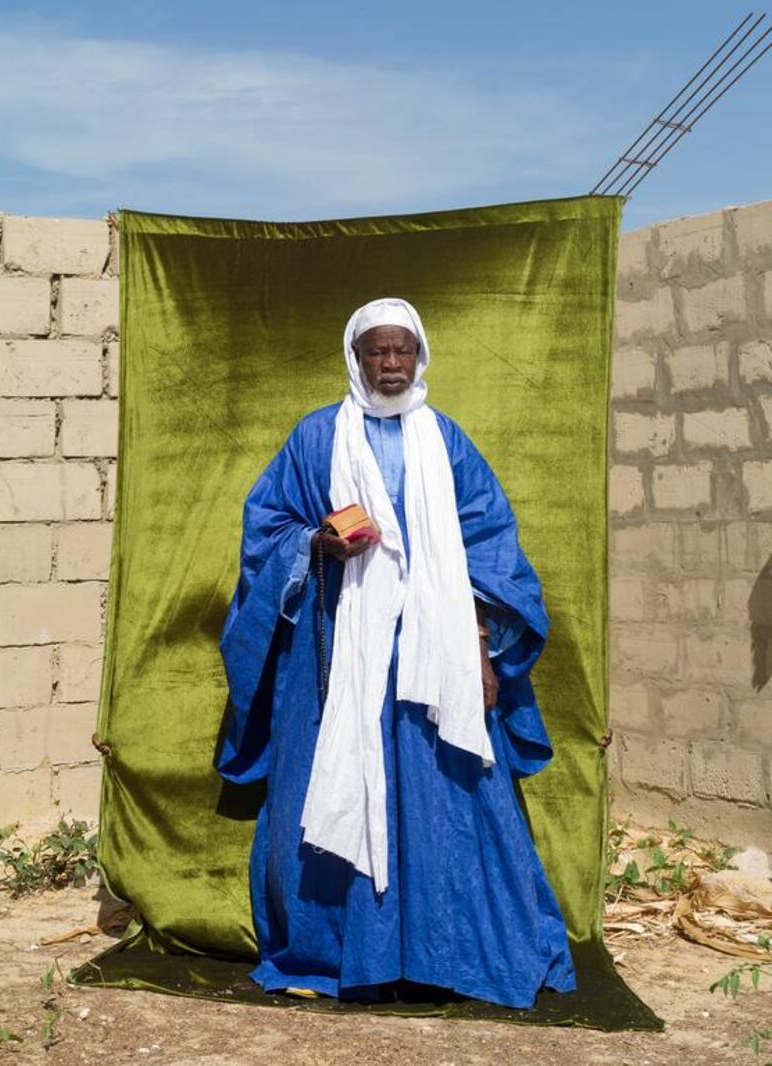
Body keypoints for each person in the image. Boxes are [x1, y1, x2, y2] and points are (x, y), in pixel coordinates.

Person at [216, 296, 577, 1009]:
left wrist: (478, 649)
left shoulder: (446, 442)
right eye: (376, 352)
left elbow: (489, 546)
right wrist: (314, 545)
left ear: (421, 356)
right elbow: (267, 528)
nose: (390, 365)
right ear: (355, 358)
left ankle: (447, 951)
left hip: (430, 654)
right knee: (322, 790)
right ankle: (340, 951)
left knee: (445, 800)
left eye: (402, 351)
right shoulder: (316, 438)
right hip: (335, 653)